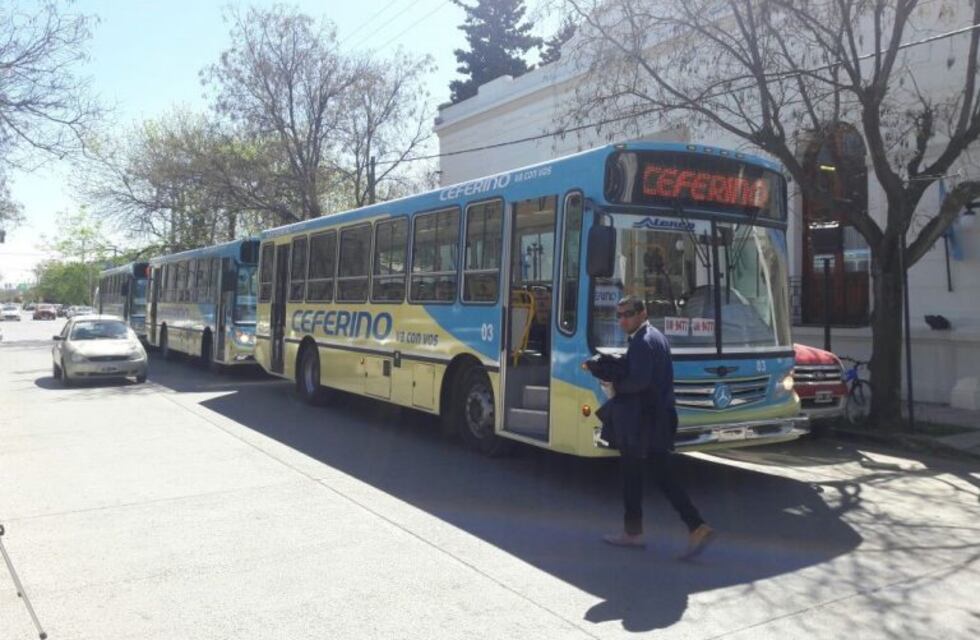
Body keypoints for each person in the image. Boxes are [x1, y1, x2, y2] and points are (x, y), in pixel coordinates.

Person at [599, 296, 715, 559]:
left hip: (644, 420)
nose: (622, 320)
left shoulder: (642, 341)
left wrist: (614, 386)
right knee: (659, 475)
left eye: (627, 314)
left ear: (643, 313)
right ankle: (695, 526)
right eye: (619, 315)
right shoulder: (656, 336)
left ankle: (635, 533)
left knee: (633, 473)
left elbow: (639, 381)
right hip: (657, 417)